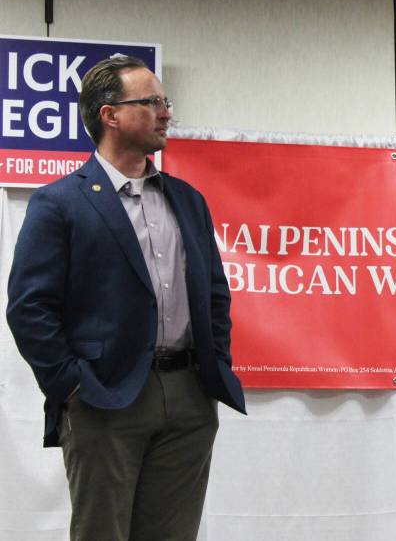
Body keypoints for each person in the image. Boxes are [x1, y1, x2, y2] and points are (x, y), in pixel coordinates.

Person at [6, 55, 246, 541]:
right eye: (151, 102)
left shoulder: (188, 199)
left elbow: (214, 293)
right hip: (103, 397)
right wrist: (72, 386)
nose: (166, 112)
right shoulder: (59, 202)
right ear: (109, 115)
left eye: (165, 102)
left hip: (188, 398)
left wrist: (213, 361)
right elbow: (29, 308)